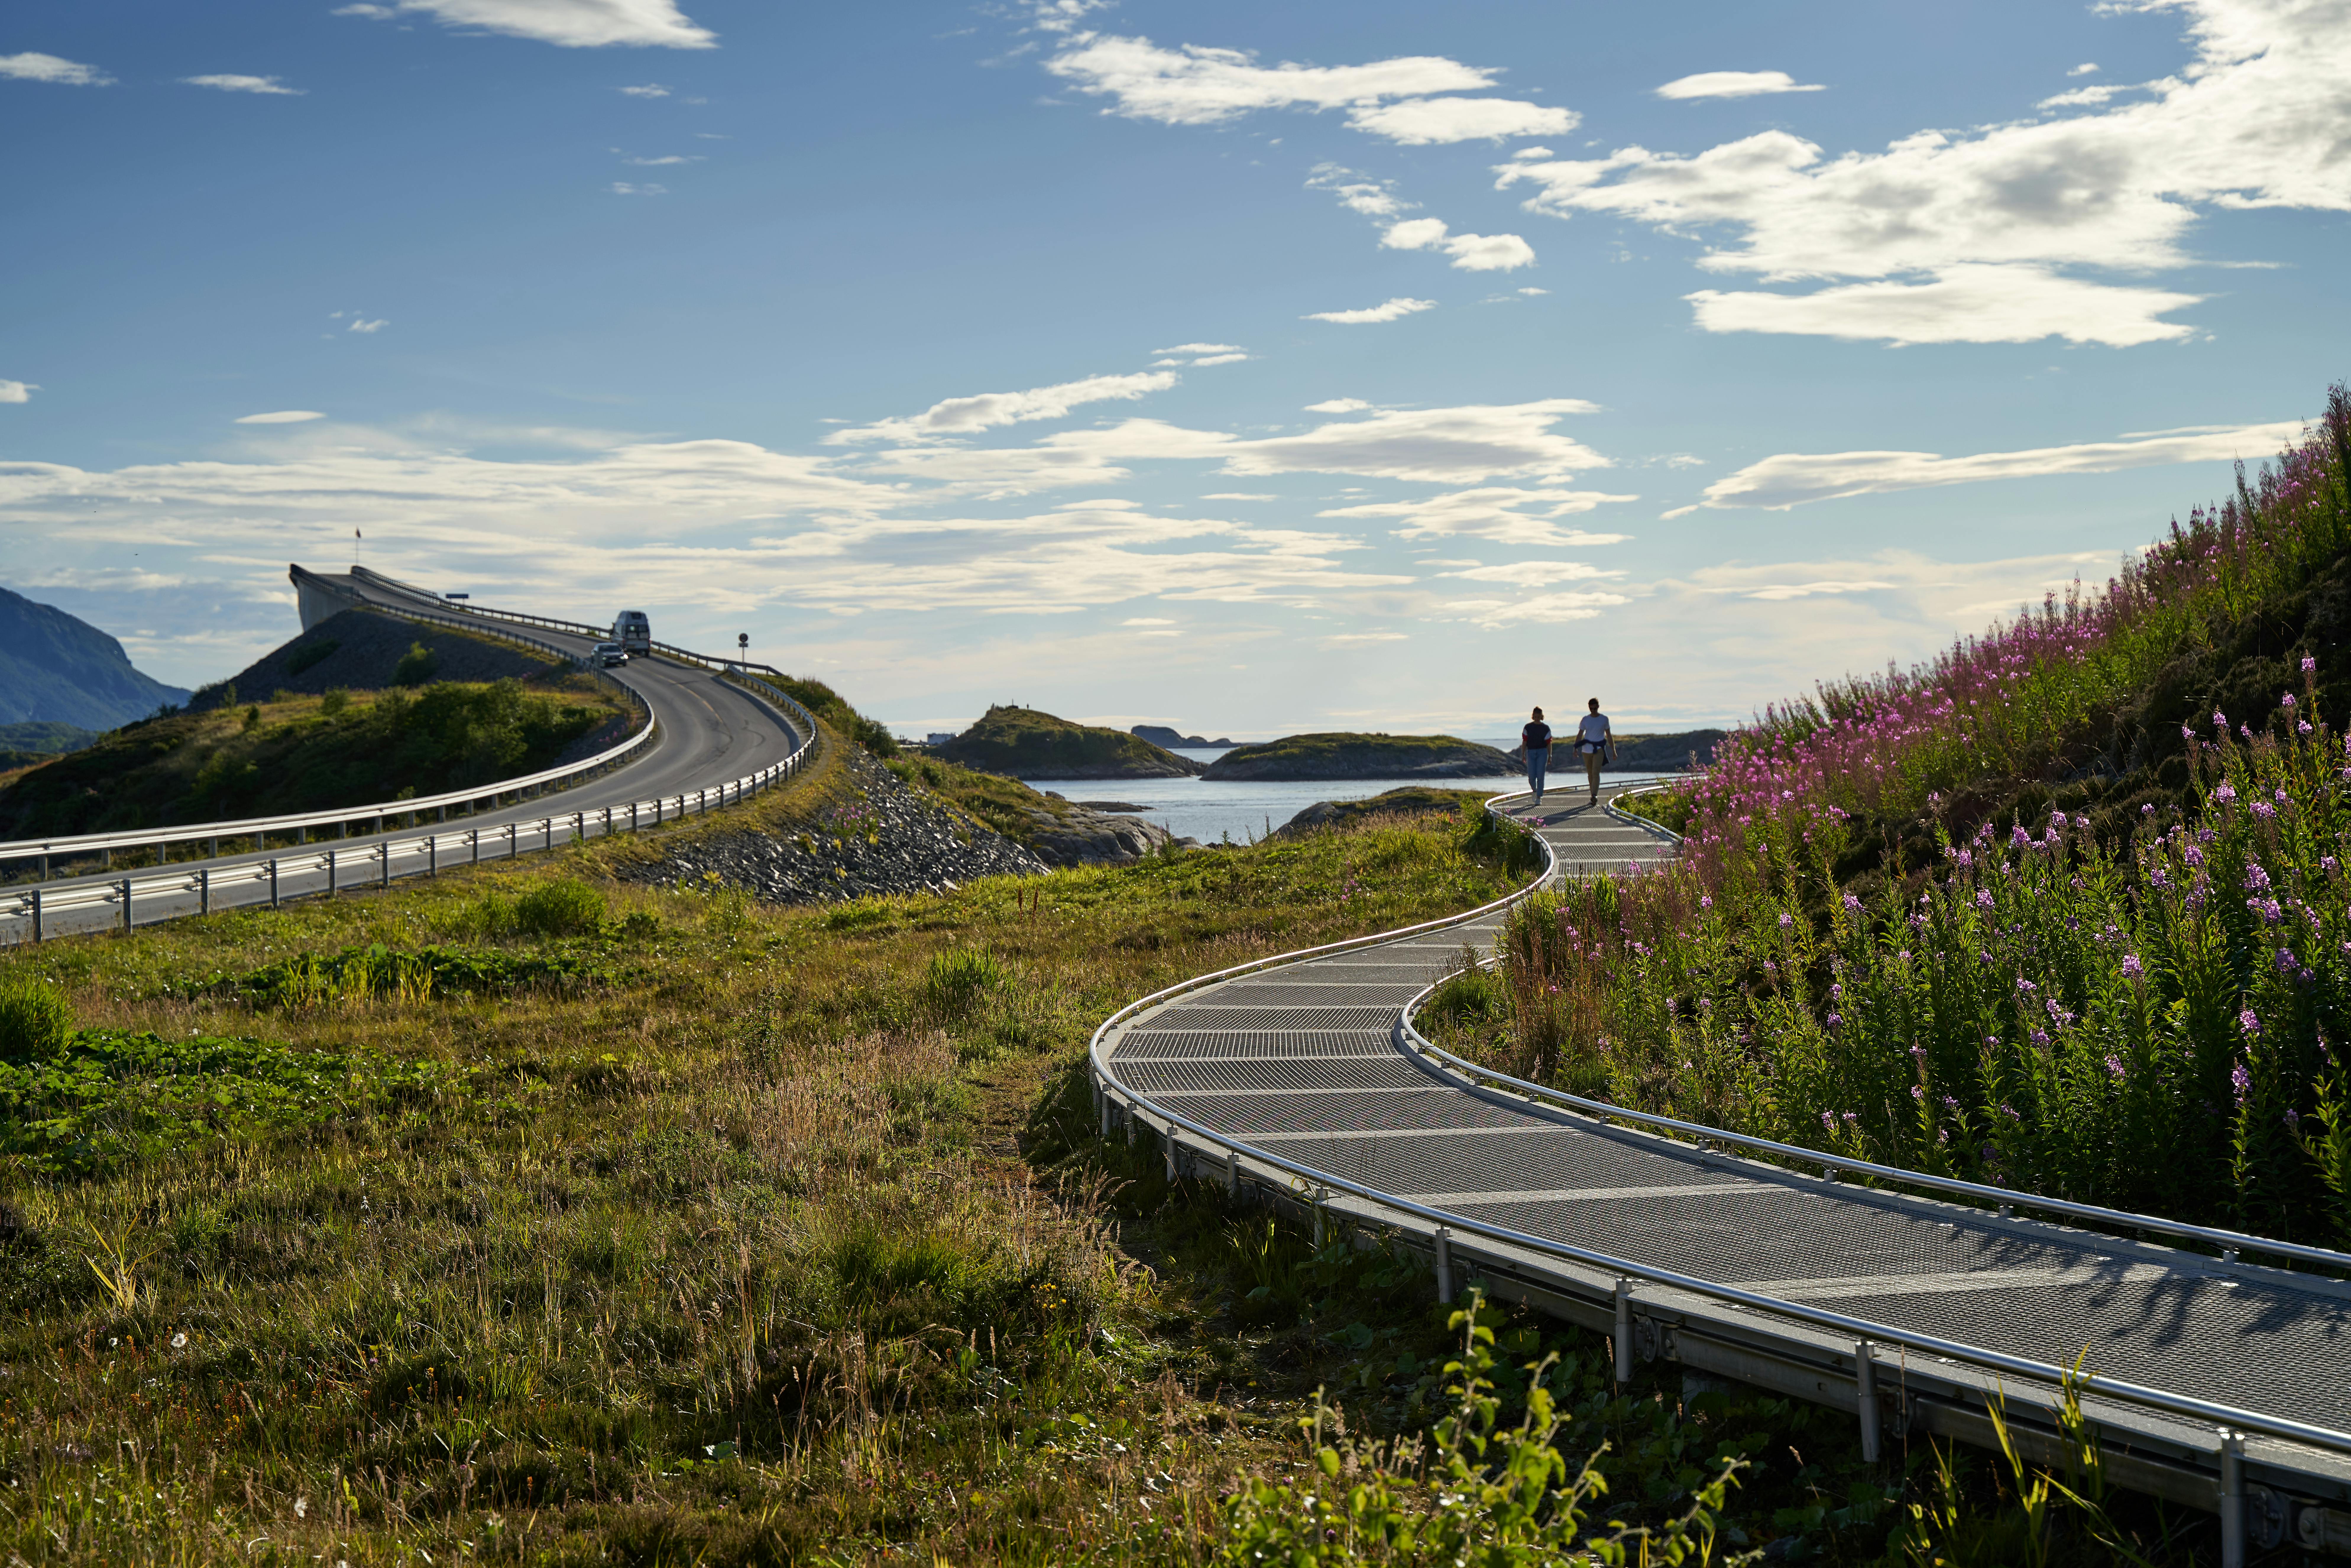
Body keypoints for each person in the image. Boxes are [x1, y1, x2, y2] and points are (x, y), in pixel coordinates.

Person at [1576, 698, 1613, 804]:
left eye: (1595, 708)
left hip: (1599, 749)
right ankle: (1593, 794)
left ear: (1598, 707)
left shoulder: (1604, 719)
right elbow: (1580, 735)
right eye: (1591, 709)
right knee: (1590, 774)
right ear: (1589, 708)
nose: (1593, 710)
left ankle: (1594, 795)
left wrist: (1613, 750)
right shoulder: (1585, 720)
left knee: (1596, 772)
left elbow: (1609, 735)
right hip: (1586, 750)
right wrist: (1575, 748)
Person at [1515, 706, 1552, 810]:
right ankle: (1535, 791)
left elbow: (1549, 743)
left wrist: (1550, 756)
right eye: (1535, 716)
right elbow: (1525, 742)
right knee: (1532, 776)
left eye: (1539, 716)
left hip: (1543, 752)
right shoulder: (1528, 727)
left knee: (1541, 775)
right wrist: (1523, 754)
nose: (1537, 718)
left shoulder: (1546, 728)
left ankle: (1539, 797)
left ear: (1542, 716)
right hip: (1531, 752)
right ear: (1533, 716)